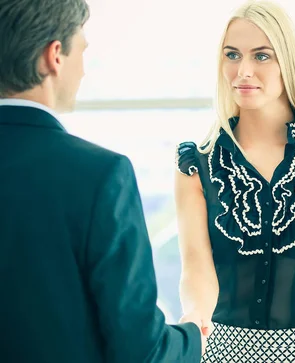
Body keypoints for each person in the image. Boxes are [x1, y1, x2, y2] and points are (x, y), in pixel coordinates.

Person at [0, 1, 203, 362]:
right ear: (55, 56)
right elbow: (140, 351)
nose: (82, 71)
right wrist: (194, 337)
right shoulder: (100, 175)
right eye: (83, 50)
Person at [174, 1, 295, 362]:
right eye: (231, 55)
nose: (243, 70)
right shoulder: (197, 166)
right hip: (222, 354)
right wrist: (194, 316)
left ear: (288, 63)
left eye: (262, 56)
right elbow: (196, 269)